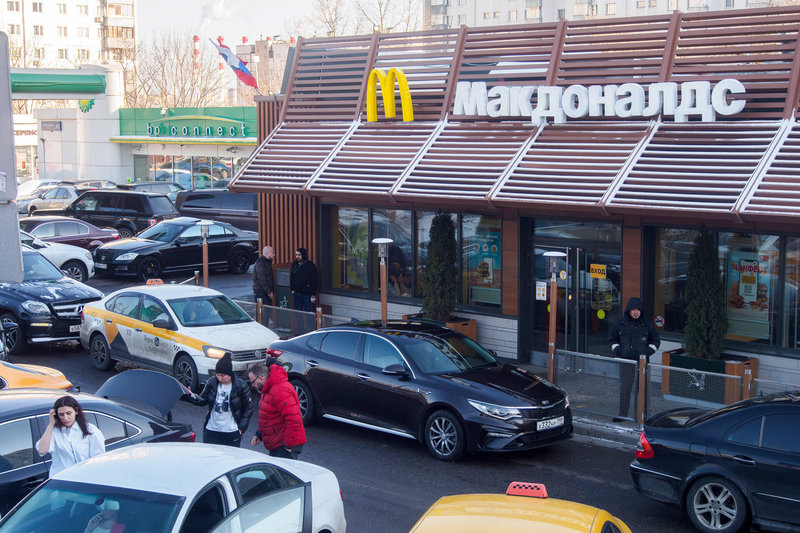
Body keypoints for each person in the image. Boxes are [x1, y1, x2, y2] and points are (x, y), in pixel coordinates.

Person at [608, 297, 660, 420]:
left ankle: (643, 415)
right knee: (625, 389)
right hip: (626, 362)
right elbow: (612, 339)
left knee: (642, 390)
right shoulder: (621, 324)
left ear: (641, 311)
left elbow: (656, 340)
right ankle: (623, 415)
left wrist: (647, 352)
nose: (635, 312)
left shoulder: (647, 324)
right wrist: (618, 351)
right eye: (633, 310)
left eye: (638, 310)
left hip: (642, 363)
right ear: (628, 311)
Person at [186, 353, 252, 447]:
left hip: (231, 431)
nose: (219, 378)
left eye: (222, 376)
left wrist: (241, 428)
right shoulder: (212, 382)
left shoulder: (240, 385)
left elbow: (248, 408)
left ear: (229, 374)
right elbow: (202, 400)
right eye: (217, 375)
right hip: (212, 429)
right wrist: (190, 396)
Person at [248, 358, 306, 459]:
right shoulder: (267, 388)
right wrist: (259, 434)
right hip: (279, 444)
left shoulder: (280, 390)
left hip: (284, 446)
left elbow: (294, 420)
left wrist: (287, 446)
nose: (252, 385)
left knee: (282, 474)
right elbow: (269, 416)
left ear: (261, 378)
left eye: (253, 382)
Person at [36, 396, 105, 476]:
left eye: (69, 413)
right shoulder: (54, 431)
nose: (65, 418)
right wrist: (51, 424)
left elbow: (98, 460)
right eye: (61, 414)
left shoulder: (91, 430)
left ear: (76, 411)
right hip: (61, 480)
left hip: (85, 478)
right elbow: (42, 450)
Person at [290, 247, 318, 333]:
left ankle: (310, 332)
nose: (297, 256)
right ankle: (300, 332)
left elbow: (314, 281)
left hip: (307, 294)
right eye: (296, 255)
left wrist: (313, 295)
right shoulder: (294, 264)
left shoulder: (310, 265)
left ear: (303, 255)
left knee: (309, 315)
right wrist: (292, 289)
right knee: (298, 314)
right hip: (297, 294)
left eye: (299, 255)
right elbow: (292, 277)